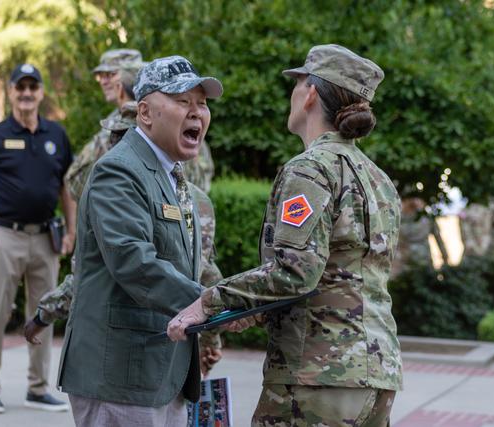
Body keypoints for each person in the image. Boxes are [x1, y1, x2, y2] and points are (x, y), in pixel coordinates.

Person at [168, 44, 403, 426]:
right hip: (377, 374)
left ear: (310, 93)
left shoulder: (309, 170)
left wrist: (210, 302)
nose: (292, 94)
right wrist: (250, 310)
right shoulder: (378, 179)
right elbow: (340, 276)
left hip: (316, 375)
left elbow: (296, 272)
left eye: (297, 84)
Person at [57, 55, 223, 426]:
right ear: (145, 113)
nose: (197, 113)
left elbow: (184, 263)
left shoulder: (172, 175)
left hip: (160, 375)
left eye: (203, 104)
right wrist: (210, 303)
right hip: (119, 377)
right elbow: (135, 262)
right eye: (183, 102)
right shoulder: (119, 170)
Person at [24, 102, 224, 374]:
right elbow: (205, 273)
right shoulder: (195, 198)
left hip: (139, 353)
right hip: (176, 349)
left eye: (123, 135)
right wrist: (211, 334)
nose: (116, 142)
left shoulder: (117, 187)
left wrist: (43, 314)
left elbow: (101, 272)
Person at [0, 64, 75, 413]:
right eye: (19, 87)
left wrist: (70, 231)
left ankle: (37, 388)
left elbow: (67, 186)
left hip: (45, 239)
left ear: (40, 92)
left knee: (45, 312)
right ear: (10, 92)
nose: (26, 93)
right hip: (6, 236)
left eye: (32, 87)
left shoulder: (57, 134)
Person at [64, 48, 144, 202]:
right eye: (101, 76)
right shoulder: (113, 119)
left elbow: (75, 182)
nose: (104, 81)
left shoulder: (134, 123)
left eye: (112, 74)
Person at [391, 197, 447, 277]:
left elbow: (439, 239)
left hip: (422, 264)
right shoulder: (397, 218)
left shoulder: (427, 218)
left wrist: (445, 259)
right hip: (402, 267)